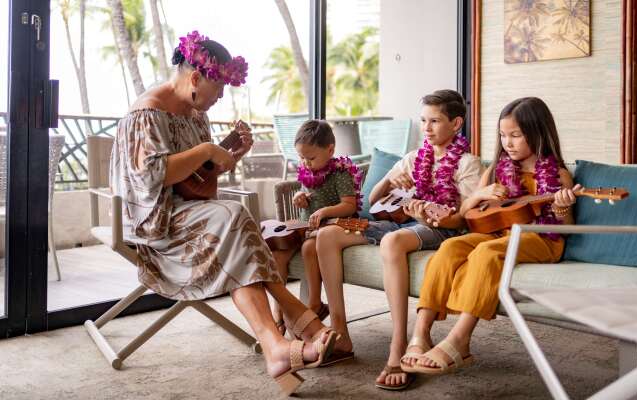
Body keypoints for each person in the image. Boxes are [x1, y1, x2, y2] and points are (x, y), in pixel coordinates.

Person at [109, 31, 336, 396]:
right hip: (155, 223)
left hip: (190, 213)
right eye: (219, 87)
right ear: (195, 78)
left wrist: (228, 156)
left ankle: (277, 346)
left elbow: (197, 183)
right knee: (236, 219)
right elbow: (154, 176)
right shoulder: (147, 112)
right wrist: (208, 150)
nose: (222, 96)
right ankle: (297, 321)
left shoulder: (195, 113)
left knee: (236, 223)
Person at [313, 90, 483, 389]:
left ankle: (399, 345)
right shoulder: (414, 157)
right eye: (423, 121)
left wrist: (435, 213)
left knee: (393, 242)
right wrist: (393, 180)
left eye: (435, 121)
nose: (427, 128)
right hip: (401, 224)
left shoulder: (466, 164)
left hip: (441, 229)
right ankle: (341, 333)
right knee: (326, 236)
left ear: (456, 124)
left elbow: (465, 219)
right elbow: (375, 199)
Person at [401, 96, 579, 378]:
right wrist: (480, 194)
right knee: (450, 247)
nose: (507, 142)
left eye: (516, 135)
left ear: (538, 132)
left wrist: (560, 207)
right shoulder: (496, 170)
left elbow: (565, 227)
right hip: (497, 233)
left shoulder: (558, 176)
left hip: (541, 238)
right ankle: (421, 335)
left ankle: (460, 340)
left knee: (486, 254)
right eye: (502, 135)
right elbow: (464, 214)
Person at [271, 120, 363, 336]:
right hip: (305, 228)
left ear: (330, 150)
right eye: (301, 158)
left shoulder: (340, 173)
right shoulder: (307, 171)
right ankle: (279, 310)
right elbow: (308, 197)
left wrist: (325, 211)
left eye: (310, 158)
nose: (305, 163)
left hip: (329, 228)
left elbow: (349, 205)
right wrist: (299, 197)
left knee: (308, 249)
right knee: (275, 253)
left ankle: (314, 303)